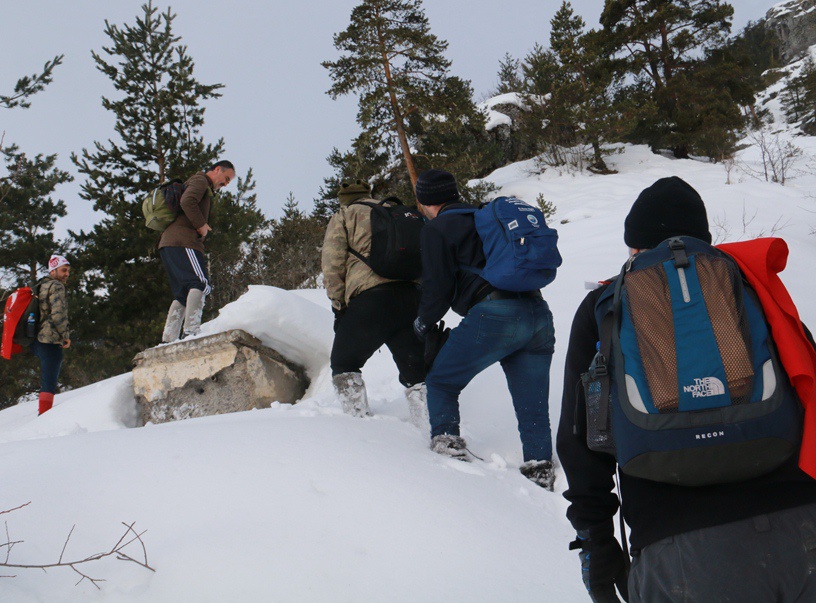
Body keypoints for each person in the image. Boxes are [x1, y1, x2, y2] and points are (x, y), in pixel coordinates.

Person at [557, 176, 816, 602]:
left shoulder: (605, 306)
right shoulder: (751, 284)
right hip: (802, 525)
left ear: (636, 246)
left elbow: (580, 439)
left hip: (682, 551)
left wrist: (596, 542)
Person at [412, 169, 556, 490]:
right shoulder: (485, 217)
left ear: (424, 201)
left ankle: (448, 451)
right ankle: (540, 470)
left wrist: (422, 324)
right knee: (532, 405)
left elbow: (437, 290)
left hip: (496, 315)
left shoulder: (437, 229)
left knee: (441, 382)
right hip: (537, 313)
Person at [321, 179, 426, 423]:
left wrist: (340, 307)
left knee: (344, 363)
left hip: (371, 300)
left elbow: (332, 263)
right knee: (417, 373)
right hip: (412, 297)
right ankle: (429, 426)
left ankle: (358, 426)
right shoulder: (397, 212)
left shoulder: (346, 214)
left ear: (343, 200)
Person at [159, 160, 236, 343]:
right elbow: (187, 201)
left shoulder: (197, 182)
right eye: (225, 178)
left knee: (182, 292)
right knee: (200, 283)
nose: (225, 184)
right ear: (217, 169)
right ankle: (191, 332)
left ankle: (168, 338)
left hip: (169, 243)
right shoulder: (201, 180)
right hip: (183, 241)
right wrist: (201, 225)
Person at [30, 254, 72, 415]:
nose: (66, 274)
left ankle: (44, 412)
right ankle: (44, 415)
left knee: (47, 378)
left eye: (68, 271)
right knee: (49, 381)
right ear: (53, 270)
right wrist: (65, 336)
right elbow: (58, 314)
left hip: (36, 339)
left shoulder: (41, 285)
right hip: (49, 338)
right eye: (63, 270)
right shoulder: (56, 286)